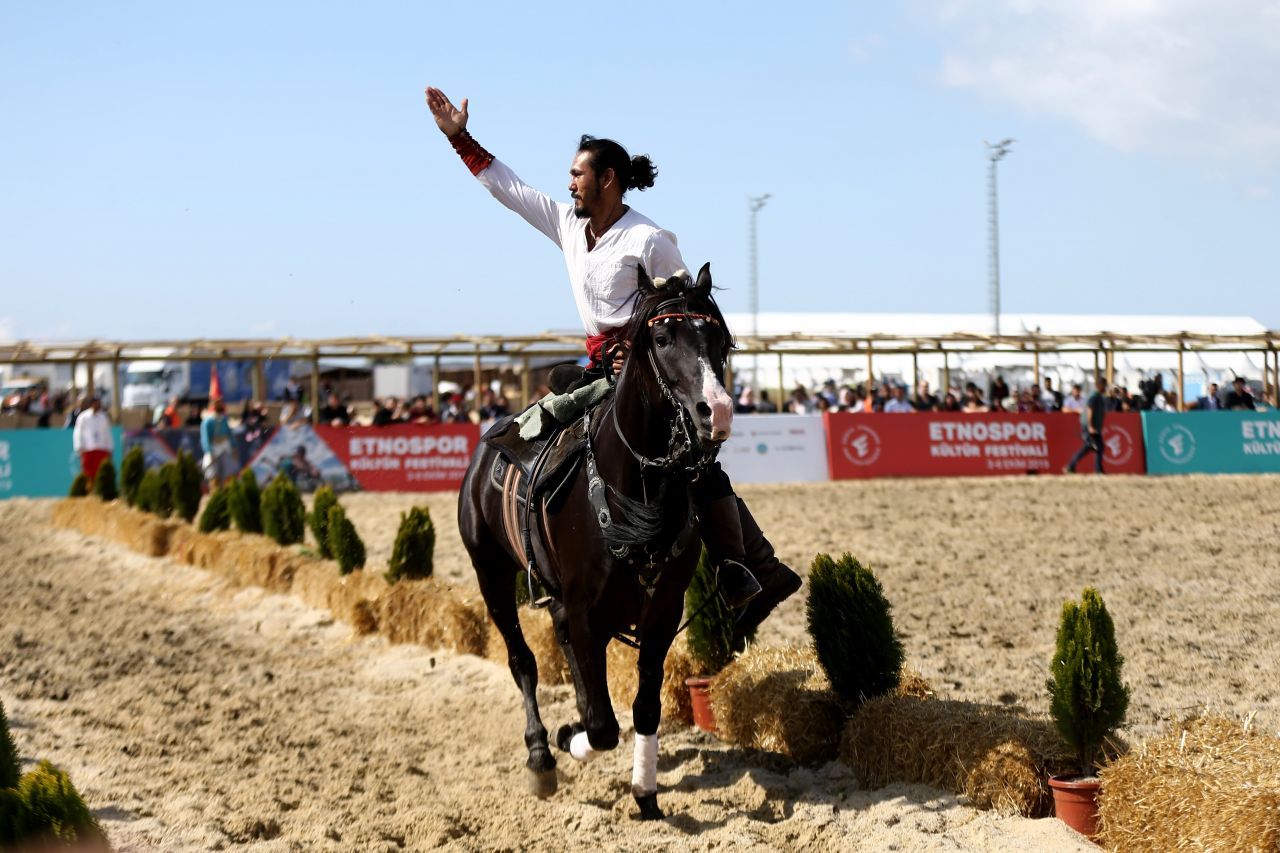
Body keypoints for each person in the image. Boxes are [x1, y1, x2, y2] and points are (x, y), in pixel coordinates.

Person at [426, 84, 800, 626]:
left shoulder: (650, 239)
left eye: (577, 174)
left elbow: (684, 319)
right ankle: (548, 563)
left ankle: (750, 569)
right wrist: (461, 139)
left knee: (694, 458)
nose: (569, 183)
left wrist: (642, 357)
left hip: (653, 376)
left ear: (607, 180)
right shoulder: (567, 225)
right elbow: (509, 189)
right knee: (533, 440)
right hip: (599, 371)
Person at [1064, 378, 1108, 474]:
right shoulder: (1094, 396)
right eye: (1105, 385)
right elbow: (1089, 410)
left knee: (1098, 447)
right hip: (1089, 426)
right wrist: (1090, 426)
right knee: (1089, 446)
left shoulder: (1099, 396)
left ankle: (1098, 469)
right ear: (1100, 386)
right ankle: (1070, 466)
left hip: (1095, 427)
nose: (1106, 388)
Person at [71, 395, 113, 482]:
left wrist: (110, 448)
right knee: (88, 473)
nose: (98, 405)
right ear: (92, 404)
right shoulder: (83, 417)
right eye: (97, 404)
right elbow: (78, 433)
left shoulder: (103, 417)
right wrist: (79, 447)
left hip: (101, 449)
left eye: (99, 404)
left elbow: (107, 433)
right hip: (88, 449)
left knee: (100, 472)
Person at [200, 399, 237, 487]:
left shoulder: (224, 420)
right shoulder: (208, 422)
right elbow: (205, 437)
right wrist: (209, 451)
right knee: (213, 474)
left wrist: (234, 447)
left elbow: (229, 434)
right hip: (214, 449)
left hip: (225, 448)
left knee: (228, 473)